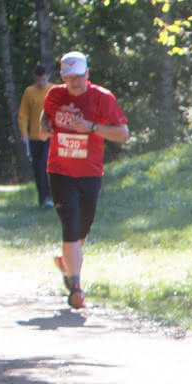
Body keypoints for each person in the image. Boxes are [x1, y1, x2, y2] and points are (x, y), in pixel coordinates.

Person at [43, 51, 130, 309]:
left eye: (79, 77)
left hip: (90, 172)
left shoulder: (102, 98)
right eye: (70, 79)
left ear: (87, 75)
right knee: (70, 225)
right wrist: (45, 125)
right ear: (63, 78)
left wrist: (92, 127)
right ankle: (76, 287)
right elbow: (46, 116)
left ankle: (66, 262)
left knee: (83, 228)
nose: (75, 83)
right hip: (59, 170)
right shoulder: (55, 95)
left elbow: (123, 134)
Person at [19, 64, 56, 207]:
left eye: (43, 79)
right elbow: (23, 114)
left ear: (47, 77)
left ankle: (53, 196)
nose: (41, 82)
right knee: (38, 168)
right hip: (35, 137)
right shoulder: (29, 92)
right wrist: (24, 133)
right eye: (38, 80)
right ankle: (43, 198)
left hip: (50, 136)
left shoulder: (53, 90)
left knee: (48, 166)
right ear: (35, 78)